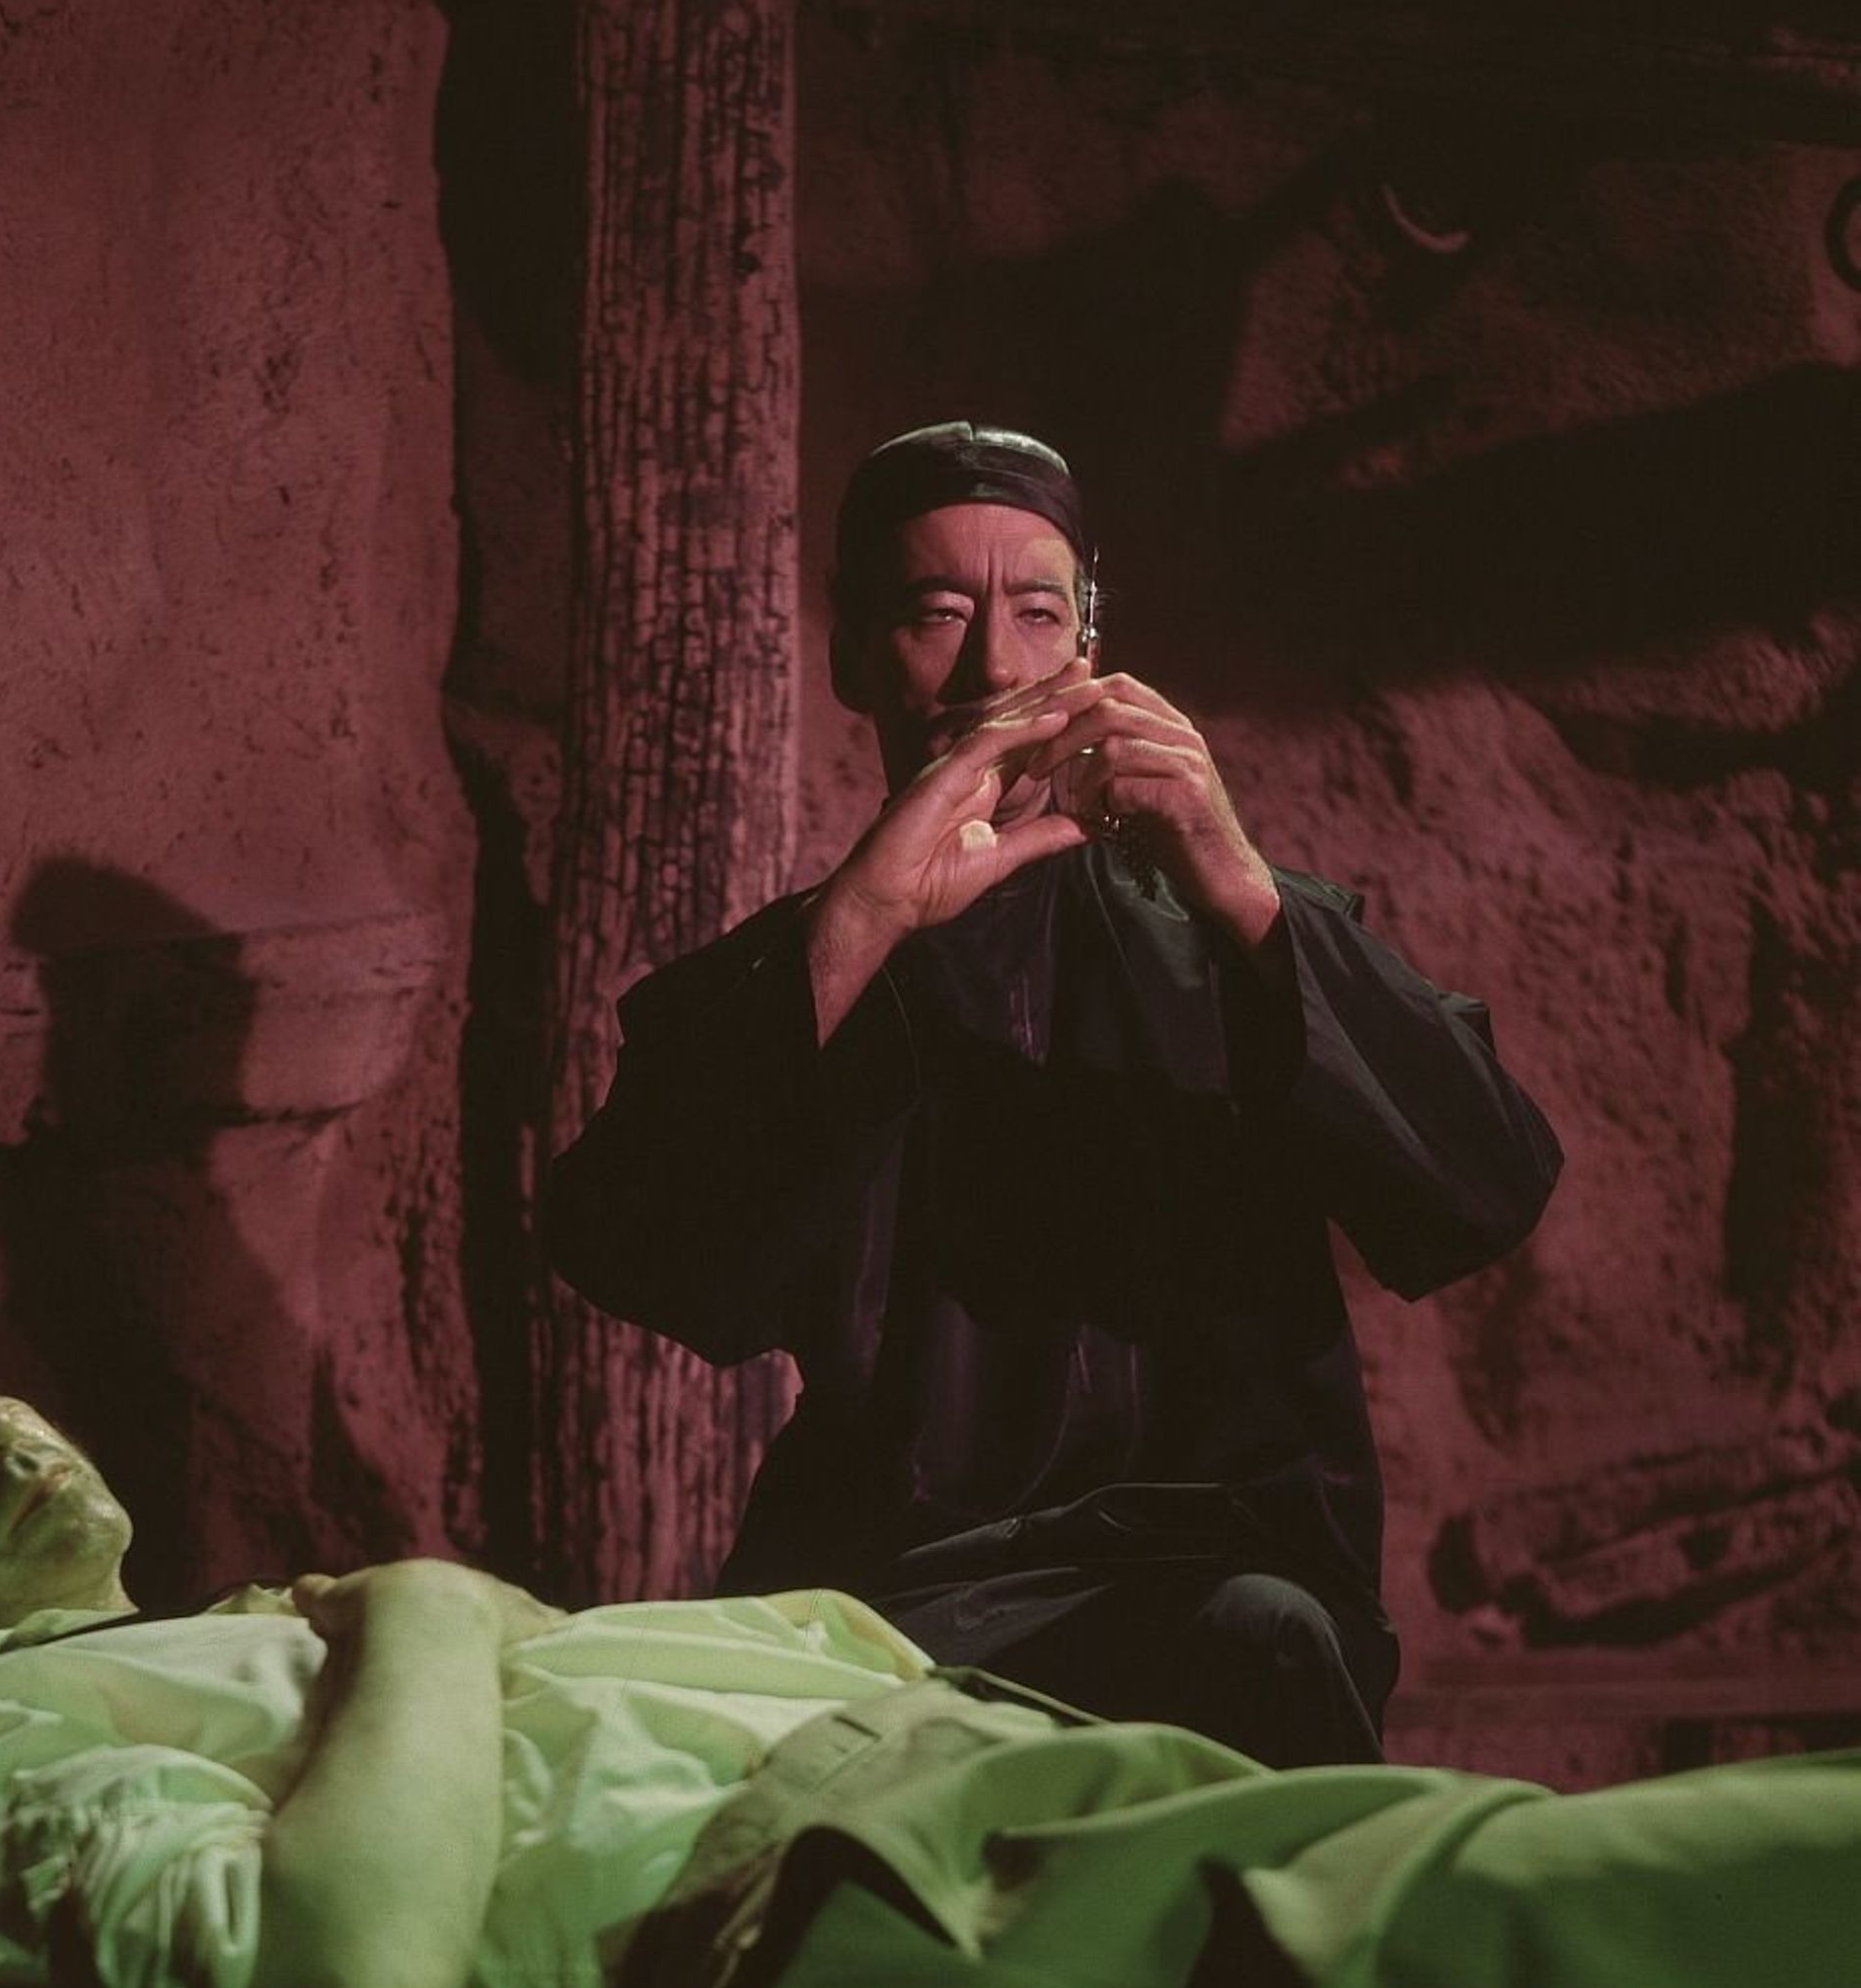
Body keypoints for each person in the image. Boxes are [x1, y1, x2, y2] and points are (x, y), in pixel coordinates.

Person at [0, 1328, 1861, 1988]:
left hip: (946, 1809)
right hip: (836, 1909)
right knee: (1603, 1914)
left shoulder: (179, 1648)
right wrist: (431, 1607)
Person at [546, 421, 1565, 1770]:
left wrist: (1241, 885)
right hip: (886, 1593)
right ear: (853, 656)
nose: (993, 668)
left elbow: (1487, 1186)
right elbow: (640, 1255)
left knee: (1261, 1649)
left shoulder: (1242, 932)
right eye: (935, 614)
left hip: (1217, 1573)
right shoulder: (800, 968)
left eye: (1036, 613)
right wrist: (860, 924)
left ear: (1089, 643)